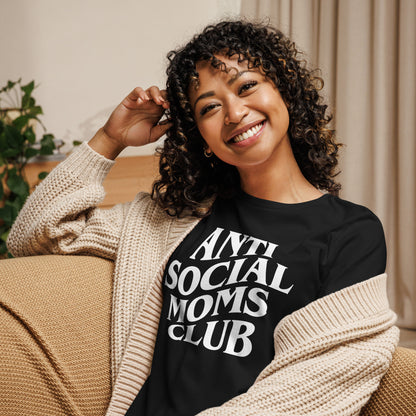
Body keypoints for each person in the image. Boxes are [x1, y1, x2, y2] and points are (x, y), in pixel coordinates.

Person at [7, 20, 398, 416]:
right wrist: (110, 139)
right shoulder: (174, 219)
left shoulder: (350, 231)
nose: (234, 112)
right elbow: (36, 235)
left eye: (246, 86)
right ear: (202, 138)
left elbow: (322, 377)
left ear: (284, 89)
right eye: (209, 107)